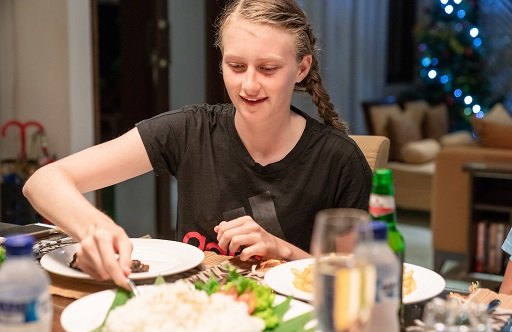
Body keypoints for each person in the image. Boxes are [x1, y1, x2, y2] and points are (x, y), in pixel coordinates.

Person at [23, 0, 372, 288]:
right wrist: (95, 228)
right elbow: (44, 181)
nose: (248, 85)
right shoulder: (190, 130)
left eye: (268, 69)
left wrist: (282, 251)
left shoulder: (339, 160)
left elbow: (359, 284)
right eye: (236, 65)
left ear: (301, 68)